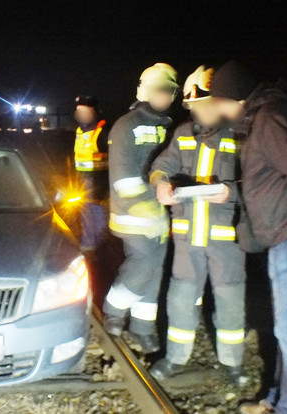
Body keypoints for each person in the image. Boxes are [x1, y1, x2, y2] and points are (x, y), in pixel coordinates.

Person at [207, 61, 287, 414]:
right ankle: (276, 400)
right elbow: (268, 176)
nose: (217, 109)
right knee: (286, 327)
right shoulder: (263, 118)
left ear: (235, 97)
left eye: (219, 101)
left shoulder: (268, 119)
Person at [147, 66, 249, 386]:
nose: (199, 112)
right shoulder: (182, 134)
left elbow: (260, 182)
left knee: (230, 300)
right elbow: (160, 167)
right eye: (193, 107)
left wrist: (231, 191)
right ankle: (175, 358)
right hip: (187, 236)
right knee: (180, 297)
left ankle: (233, 362)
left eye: (205, 105)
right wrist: (160, 185)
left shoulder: (243, 135)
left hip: (227, 238)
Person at [102, 63, 178, 353]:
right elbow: (123, 176)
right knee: (143, 265)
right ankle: (113, 310)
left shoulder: (167, 127)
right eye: (160, 89)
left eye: (170, 91)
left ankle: (143, 328)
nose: (165, 96)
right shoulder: (126, 125)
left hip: (159, 216)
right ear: (145, 90)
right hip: (131, 215)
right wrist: (146, 210)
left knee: (155, 271)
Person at [72, 95, 109, 251]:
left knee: (98, 215)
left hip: (99, 183)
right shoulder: (80, 130)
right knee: (86, 214)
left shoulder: (102, 131)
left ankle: (97, 245)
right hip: (82, 182)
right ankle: (89, 244)